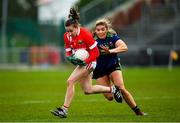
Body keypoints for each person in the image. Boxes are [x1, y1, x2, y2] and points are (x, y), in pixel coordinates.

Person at [50, 8, 122, 118]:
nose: (69, 33)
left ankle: (64, 110)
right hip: (82, 63)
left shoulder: (85, 34)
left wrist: (85, 61)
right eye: (67, 31)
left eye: (71, 30)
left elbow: (96, 52)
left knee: (70, 81)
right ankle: (113, 89)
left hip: (90, 62)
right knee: (88, 90)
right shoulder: (67, 36)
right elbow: (68, 52)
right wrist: (71, 59)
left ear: (76, 27)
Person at [92, 18, 146, 116]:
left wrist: (110, 51)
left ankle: (138, 111)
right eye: (98, 30)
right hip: (99, 69)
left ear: (107, 29)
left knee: (121, 88)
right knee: (109, 97)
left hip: (112, 65)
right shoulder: (93, 40)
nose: (100, 31)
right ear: (95, 31)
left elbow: (124, 47)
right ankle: (114, 89)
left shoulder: (112, 37)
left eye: (102, 29)